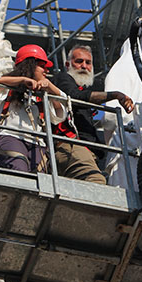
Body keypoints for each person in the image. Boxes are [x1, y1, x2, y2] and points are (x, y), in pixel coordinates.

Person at [53, 45, 134, 184]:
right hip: (71, 145)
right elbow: (74, 97)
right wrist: (114, 95)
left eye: (88, 63)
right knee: (95, 182)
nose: (84, 66)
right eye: (79, 61)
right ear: (68, 65)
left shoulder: (79, 87)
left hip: (83, 150)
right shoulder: (63, 79)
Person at [0, 44, 66, 173]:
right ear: (30, 65)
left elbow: (59, 113)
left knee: (41, 176)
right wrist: (22, 80)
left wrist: (50, 88)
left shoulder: (44, 94)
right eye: (43, 66)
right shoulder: (9, 88)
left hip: (37, 142)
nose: (47, 71)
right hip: (11, 136)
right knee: (19, 168)